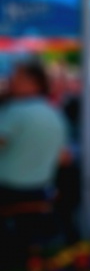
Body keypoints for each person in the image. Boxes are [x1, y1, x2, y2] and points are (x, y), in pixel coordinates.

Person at [0, 61, 66, 206]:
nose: (10, 81)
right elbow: (64, 156)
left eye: (16, 77)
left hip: (10, 192)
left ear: (33, 82)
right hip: (41, 190)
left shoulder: (15, 110)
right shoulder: (54, 112)